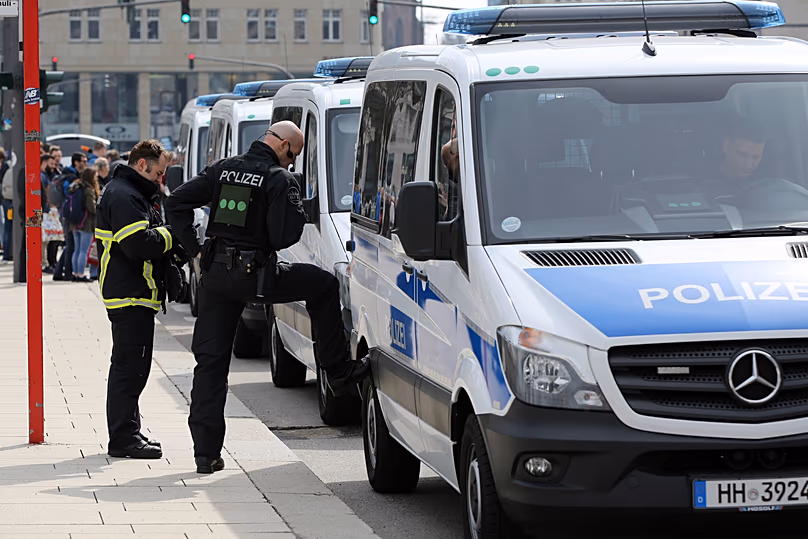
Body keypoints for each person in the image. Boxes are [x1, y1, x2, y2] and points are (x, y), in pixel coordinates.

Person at [165, 121, 370, 474]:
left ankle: (205, 453)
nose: (292, 164)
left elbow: (177, 200)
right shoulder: (279, 179)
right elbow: (283, 237)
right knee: (322, 285)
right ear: (284, 147)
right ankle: (337, 371)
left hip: (215, 277)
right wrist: (294, 206)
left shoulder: (223, 168)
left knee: (210, 365)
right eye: (294, 156)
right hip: (257, 278)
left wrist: (194, 249)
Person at [95, 139, 186, 459]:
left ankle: (129, 432)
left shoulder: (131, 191)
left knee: (133, 367)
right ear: (142, 165)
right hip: (128, 293)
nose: (160, 180)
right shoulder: (124, 195)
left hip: (133, 291)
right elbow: (137, 243)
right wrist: (172, 234)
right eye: (158, 173)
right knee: (129, 369)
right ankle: (123, 438)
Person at [53, 153, 88, 281]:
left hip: (66, 213)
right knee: (71, 245)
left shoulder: (67, 175)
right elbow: (70, 195)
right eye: (83, 161)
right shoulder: (71, 177)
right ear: (76, 162)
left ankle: (59, 271)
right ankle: (67, 273)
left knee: (70, 244)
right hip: (69, 215)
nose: (85, 163)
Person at [69, 167, 100, 282]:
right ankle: (81, 274)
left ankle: (76, 273)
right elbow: (91, 207)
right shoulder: (89, 190)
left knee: (77, 249)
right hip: (86, 224)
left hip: (75, 223)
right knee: (84, 250)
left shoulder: (76, 187)